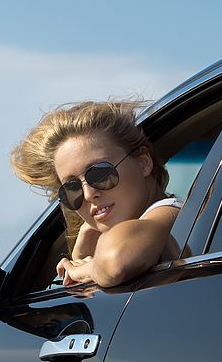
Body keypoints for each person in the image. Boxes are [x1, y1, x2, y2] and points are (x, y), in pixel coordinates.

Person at [10, 100, 183, 288]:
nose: (88, 194)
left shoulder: (170, 212)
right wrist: (81, 260)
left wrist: (81, 269)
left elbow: (116, 261)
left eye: (100, 173)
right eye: (72, 188)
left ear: (143, 163)